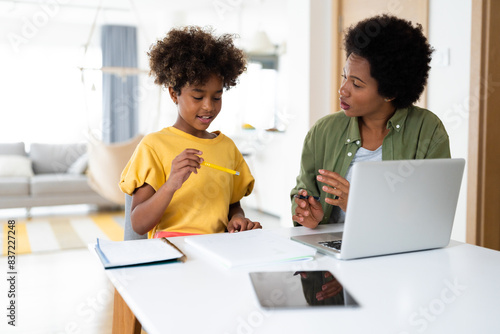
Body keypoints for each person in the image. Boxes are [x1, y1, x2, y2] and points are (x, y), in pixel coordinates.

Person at [291, 15, 451, 228]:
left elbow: (434, 213)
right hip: (332, 250)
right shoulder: (323, 131)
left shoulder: (428, 131)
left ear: (390, 92)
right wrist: (306, 214)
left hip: (400, 252)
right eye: (344, 76)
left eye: (356, 84)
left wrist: (361, 204)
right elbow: (303, 192)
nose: (343, 90)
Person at [120, 26, 261, 238]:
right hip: (171, 254)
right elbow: (138, 224)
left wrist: (237, 218)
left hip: (219, 249)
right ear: (174, 94)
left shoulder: (227, 147)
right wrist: (171, 184)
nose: (208, 107)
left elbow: (233, 205)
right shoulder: (154, 146)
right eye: (197, 97)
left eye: (216, 97)